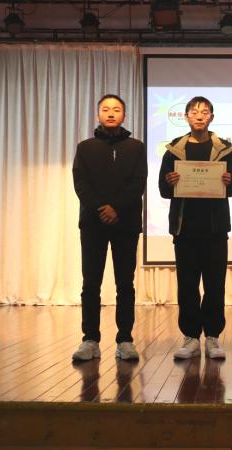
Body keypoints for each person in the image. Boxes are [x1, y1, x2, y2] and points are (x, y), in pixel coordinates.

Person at [158, 96, 232, 360]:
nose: (199, 116)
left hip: (215, 229)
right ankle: (191, 337)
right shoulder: (174, 151)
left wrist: (228, 181)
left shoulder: (225, 151)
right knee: (187, 285)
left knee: (215, 285)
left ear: (211, 118)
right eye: (194, 112)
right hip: (184, 229)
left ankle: (213, 337)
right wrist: (170, 181)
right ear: (185, 117)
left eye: (204, 112)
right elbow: (163, 190)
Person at [71, 94, 147, 361]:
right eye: (105, 109)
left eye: (116, 109)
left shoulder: (136, 147)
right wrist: (101, 208)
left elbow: (138, 183)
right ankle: (90, 339)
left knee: (125, 284)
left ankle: (125, 339)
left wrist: (116, 208)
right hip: (93, 224)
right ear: (98, 114)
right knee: (90, 283)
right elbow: (80, 183)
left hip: (126, 224)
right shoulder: (85, 147)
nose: (111, 113)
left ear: (124, 115)